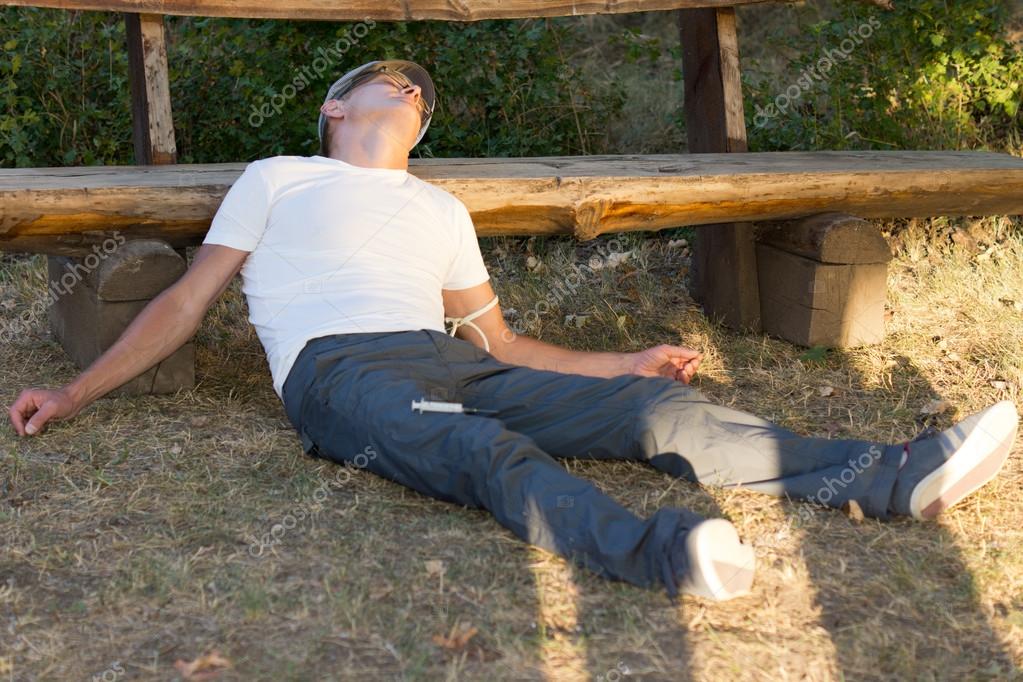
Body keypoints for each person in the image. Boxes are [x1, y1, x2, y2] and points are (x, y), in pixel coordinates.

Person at [8, 60, 1019, 602]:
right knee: (480, 446)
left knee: (654, 408)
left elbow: (502, 345)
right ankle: (665, 555)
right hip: (340, 375)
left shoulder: (441, 210)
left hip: (446, 356)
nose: (411, 93)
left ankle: (895, 476)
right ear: (334, 108)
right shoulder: (279, 178)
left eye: (421, 94)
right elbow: (187, 302)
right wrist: (75, 390)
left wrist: (624, 364)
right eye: (389, 80)